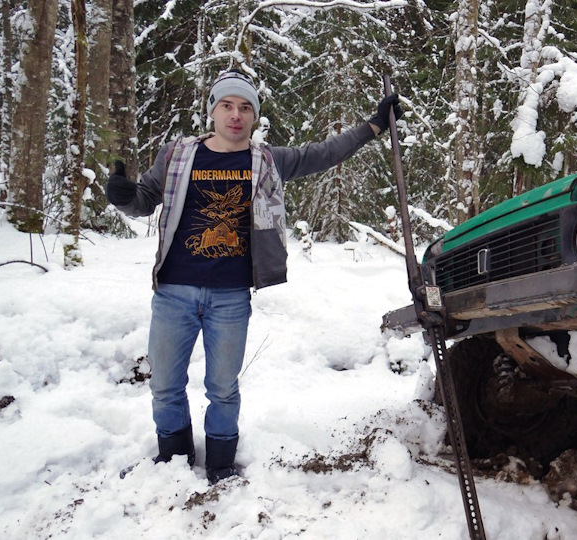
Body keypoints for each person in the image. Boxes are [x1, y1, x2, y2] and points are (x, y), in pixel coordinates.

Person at [106, 69, 402, 484]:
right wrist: (124, 197)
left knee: (223, 388)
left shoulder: (266, 161)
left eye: (245, 107)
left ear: (254, 116)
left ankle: (221, 463)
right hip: (174, 291)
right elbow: (145, 200)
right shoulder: (177, 154)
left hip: (230, 296)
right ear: (212, 110)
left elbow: (323, 153)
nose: (236, 115)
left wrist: (372, 127)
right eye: (227, 105)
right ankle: (172, 459)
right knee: (165, 385)